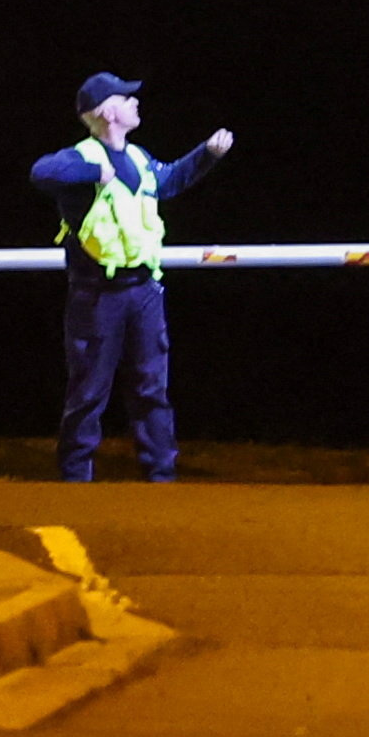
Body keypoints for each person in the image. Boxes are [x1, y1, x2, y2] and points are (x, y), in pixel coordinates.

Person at [31, 73, 233, 482]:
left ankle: (161, 475)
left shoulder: (139, 158)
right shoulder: (83, 157)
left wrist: (206, 154)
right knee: (88, 392)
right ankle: (75, 478)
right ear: (107, 112)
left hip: (143, 292)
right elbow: (41, 172)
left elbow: (170, 180)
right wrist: (93, 175)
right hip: (97, 296)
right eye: (127, 98)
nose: (136, 103)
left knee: (151, 389)